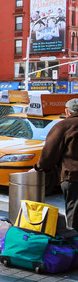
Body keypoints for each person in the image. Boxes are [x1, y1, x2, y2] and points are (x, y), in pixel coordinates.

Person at [31, 98, 78, 230]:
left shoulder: (64, 126)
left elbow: (49, 153)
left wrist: (39, 168)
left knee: (74, 215)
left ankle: (74, 240)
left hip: (73, 176)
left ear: (67, 111)